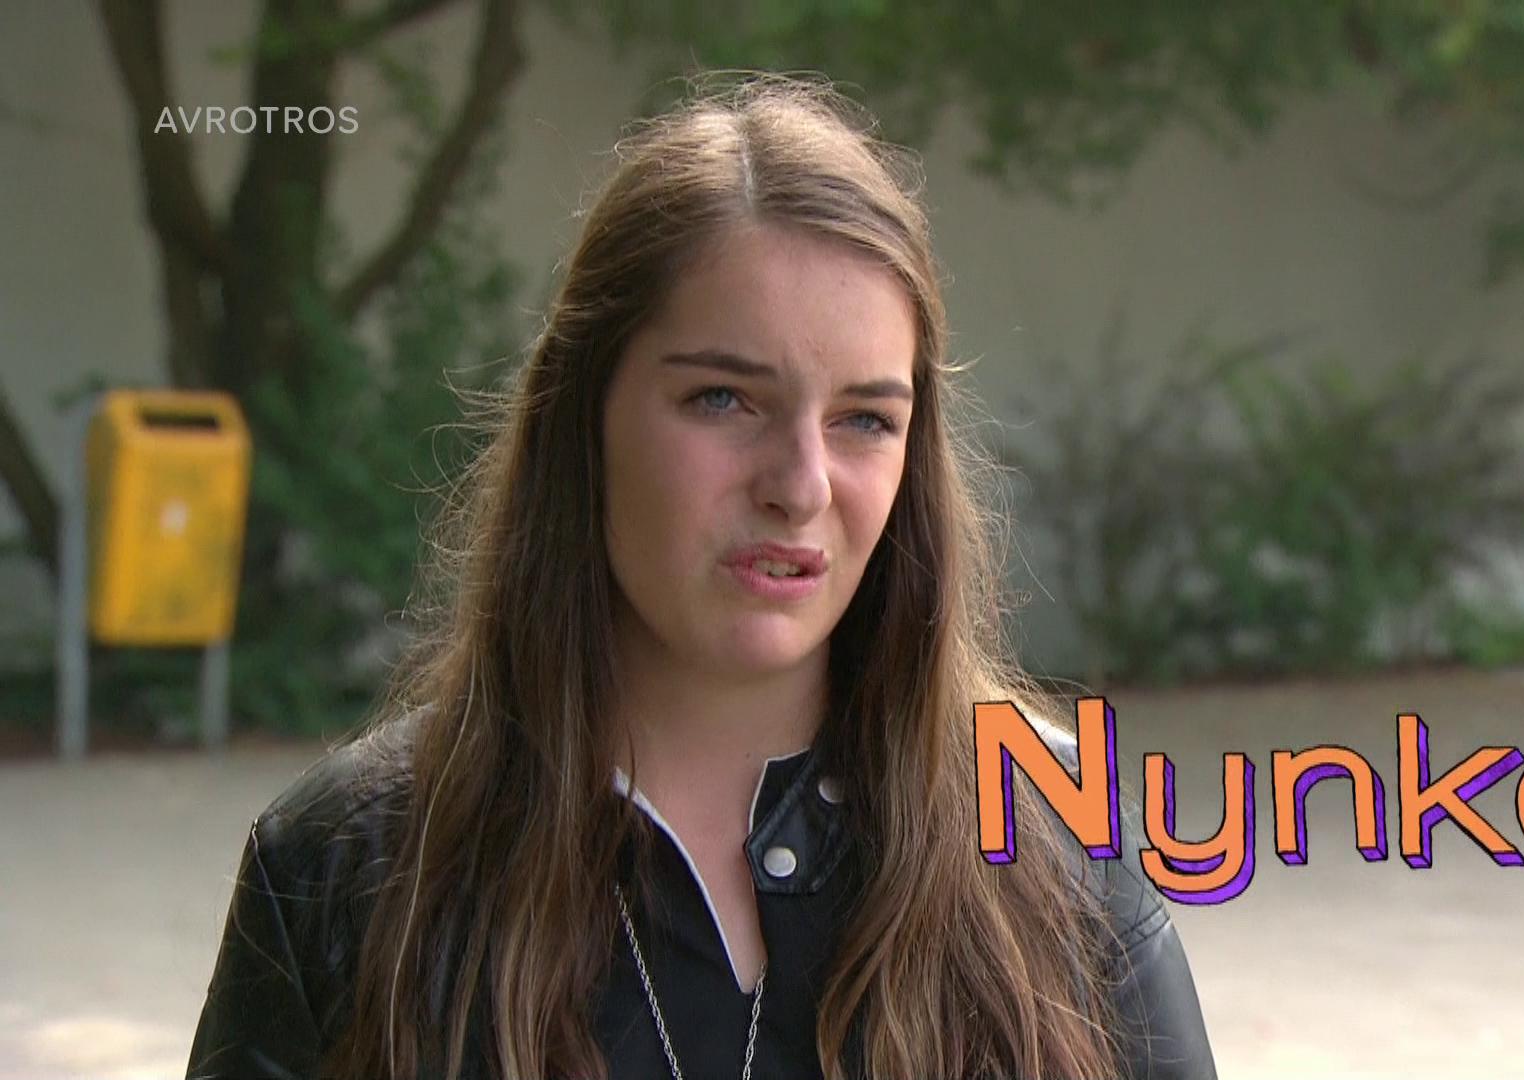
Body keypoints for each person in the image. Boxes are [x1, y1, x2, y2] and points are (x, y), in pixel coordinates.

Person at [186, 75, 1217, 1080]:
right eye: (724, 399)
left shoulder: (1055, 834)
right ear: (584, 414)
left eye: (865, 419)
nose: (800, 486)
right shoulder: (347, 869)